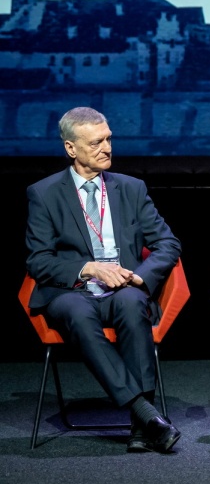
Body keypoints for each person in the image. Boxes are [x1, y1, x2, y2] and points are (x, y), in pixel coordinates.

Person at [25, 107, 182, 454]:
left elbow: (168, 243)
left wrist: (140, 278)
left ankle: (142, 426)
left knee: (131, 304)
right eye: (96, 142)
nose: (107, 148)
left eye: (109, 139)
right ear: (71, 148)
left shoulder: (131, 188)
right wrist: (90, 268)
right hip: (73, 290)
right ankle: (145, 413)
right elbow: (39, 261)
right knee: (79, 314)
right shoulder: (45, 193)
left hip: (123, 289)